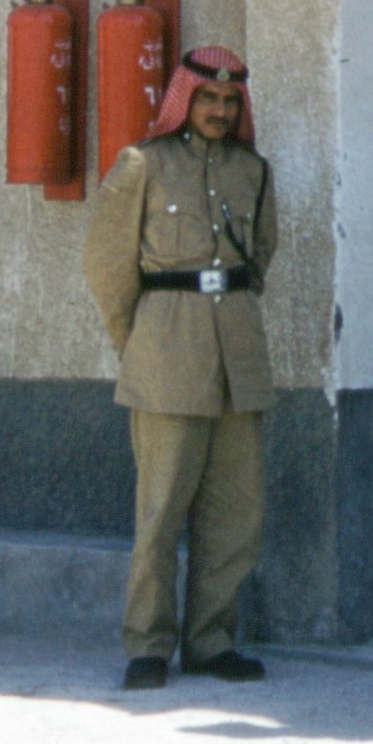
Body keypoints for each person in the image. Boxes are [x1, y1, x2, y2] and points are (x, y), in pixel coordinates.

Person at [83, 46, 276, 692]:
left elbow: (262, 254)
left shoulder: (254, 171)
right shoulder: (144, 164)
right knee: (161, 509)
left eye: (230, 101)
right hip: (167, 352)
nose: (219, 110)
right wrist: (137, 341)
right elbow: (107, 264)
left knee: (236, 512)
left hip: (237, 360)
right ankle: (147, 644)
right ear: (183, 100)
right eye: (207, 98)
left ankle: (211, 640)